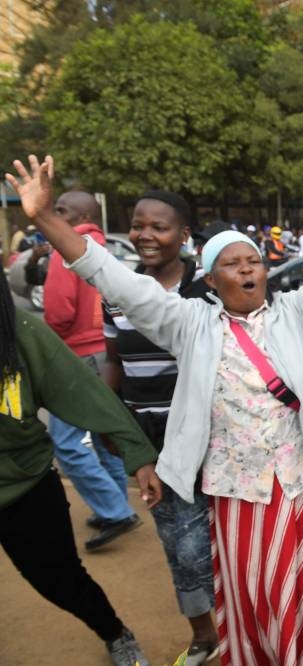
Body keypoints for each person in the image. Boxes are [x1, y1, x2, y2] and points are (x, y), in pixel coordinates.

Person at [8, 152, 303, 666]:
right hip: (236, 494)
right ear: (211, 281)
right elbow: (113, 279)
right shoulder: (189, 324)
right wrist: (46, 219)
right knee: (259, 593)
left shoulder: (300, 311)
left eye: (253, 260)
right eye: (231, 264)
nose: (247, 269)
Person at [0, 269, 161, 666]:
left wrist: (136, 454)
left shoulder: (21, 334)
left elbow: (83, 392)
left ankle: (114, 632)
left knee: (59, 580)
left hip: (25, 487)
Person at [102, 190, 218, 664]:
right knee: (175, 541)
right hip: (149, 444)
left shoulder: (208, 289)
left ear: (184, 236)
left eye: (160, 227)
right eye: (138, 224)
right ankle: (206, 635)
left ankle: (236, 628)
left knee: (204, 544)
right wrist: (110, 424)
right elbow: (114, 364)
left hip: (212, 441)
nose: (146, 235)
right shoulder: (117, 291)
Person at [29, 190, 141, 551]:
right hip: (106, 351)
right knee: (101, 432)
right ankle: (115, 503)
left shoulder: (68, 249)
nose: (54, 214)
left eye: (61, 210)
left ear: (80, 215)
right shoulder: (102, 248)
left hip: (77, 353)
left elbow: (59, 312)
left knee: (66, 441)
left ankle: (115, 509)